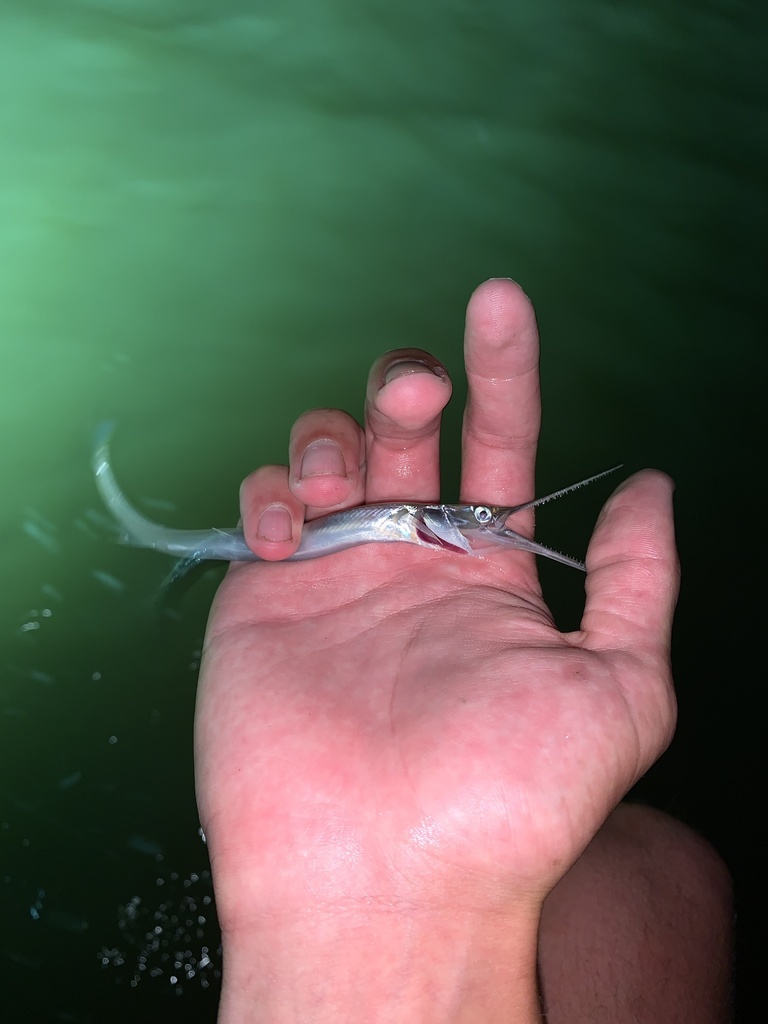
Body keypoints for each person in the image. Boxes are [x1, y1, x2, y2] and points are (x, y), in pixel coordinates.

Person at [194, 279, 733, 1022]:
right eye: (485, 521)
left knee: (670, 868)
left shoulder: (678, 887)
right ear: (451, 520)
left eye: (490, 521)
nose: (495, 524)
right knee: (672, 869)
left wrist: (369, 927)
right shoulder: (678, 893)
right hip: (666, 881)